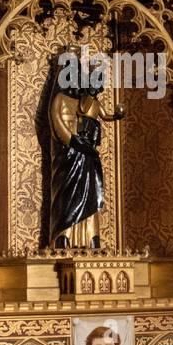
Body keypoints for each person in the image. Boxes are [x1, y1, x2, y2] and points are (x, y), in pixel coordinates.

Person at [48, 64, 123, 249]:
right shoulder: (59, 98)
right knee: (68, 195)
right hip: (68, 155)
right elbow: (56, 121)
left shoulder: (84, 101)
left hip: (86, 154)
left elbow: (99, 115)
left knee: (89, 193)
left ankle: (92, 238)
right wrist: (73, 141)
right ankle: (63, 236)